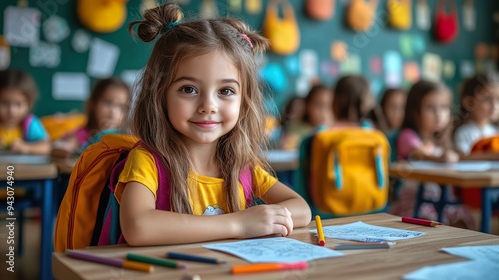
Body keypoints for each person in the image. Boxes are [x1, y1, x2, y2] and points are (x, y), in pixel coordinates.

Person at [116, 2, 311, 246]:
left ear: (244, 100)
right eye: (189, 89)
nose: (208, 105)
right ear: (160, 94)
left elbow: (302, 209)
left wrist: (265, 219)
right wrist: (239, 224)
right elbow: (138, 227)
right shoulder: (148, 161)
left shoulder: (240, 164)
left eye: (226, 90)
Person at [389, 80, 474, 229]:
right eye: (430, 108)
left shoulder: (443, 140)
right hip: (415, 200)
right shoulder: (408, 136)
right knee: (430, 220)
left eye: (444, 108)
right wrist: (441, 158)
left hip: (443, 199)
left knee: (463, 217)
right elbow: (418, 154)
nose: (438, 115)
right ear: (415, 111)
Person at [51, 77, 131, 158]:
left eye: (121, 107)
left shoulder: (127, 139)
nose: (113, 111)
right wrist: (72, 152)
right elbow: (58, 149)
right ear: (93, 103)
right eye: (108, 102)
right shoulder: (81, 135)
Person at [0, 69, 50, 155]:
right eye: (4, 103)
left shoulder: (30, 124)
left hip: (21, 168)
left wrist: (27, 148)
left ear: (29, 103)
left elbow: (47, 147)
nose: (12, 110)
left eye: (18, 104)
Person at [454, 74, 499, 159]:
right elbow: (462, 158)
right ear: (469, 102)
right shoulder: (464, 133)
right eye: (487, 99)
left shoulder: (496, 131)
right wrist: (494, 156)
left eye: (498, 99)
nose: (495, 106)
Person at [279, 85, 333, 150]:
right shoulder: (296, 132)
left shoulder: (336, 131)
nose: (324, 112)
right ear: (307, 105)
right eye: (319, 105)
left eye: (330, 106)